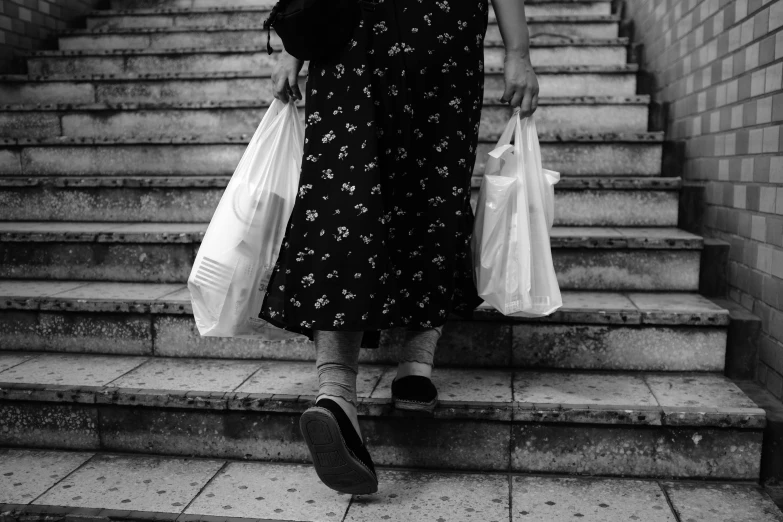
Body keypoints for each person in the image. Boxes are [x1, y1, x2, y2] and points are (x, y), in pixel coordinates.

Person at [258, 0, 539, 495]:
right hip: (376, 32)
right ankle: (368, 382)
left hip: (414, 36)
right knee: (378, 196)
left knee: (397, 194)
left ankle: (369, 379)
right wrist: (293, 46)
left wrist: (518, 49)